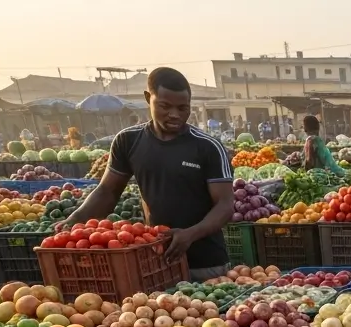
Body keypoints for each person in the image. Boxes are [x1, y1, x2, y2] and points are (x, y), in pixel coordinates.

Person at [59, 67, 235, 281]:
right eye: (165, 106)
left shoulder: (207, 147)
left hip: (206, 263)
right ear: (147, 98)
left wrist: (190, 234)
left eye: (183, 108)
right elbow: (107, 191)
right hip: (155, 259)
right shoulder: (128, 141)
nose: (174, 115)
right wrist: (75, 222)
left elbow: (225, 205)